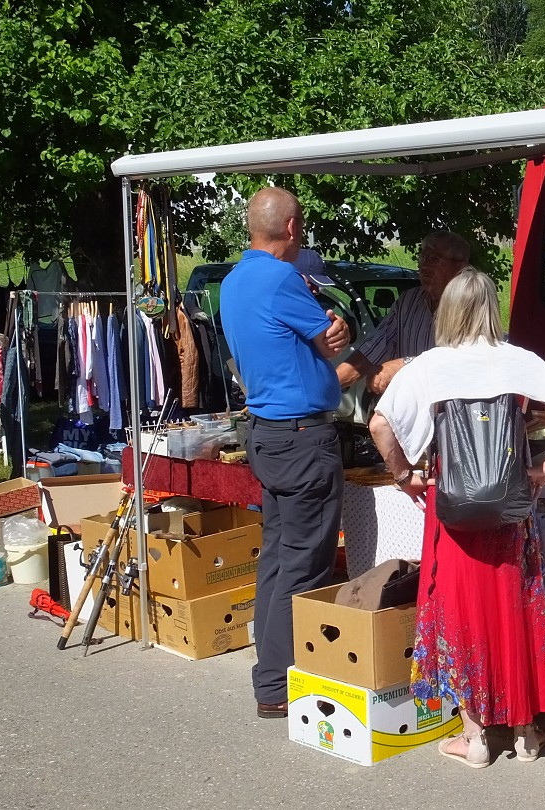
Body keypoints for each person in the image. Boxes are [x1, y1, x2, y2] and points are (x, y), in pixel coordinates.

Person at [368, 268, 545, 768]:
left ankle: (475, 739)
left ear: (448, 312)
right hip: (511, 510)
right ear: (492, 310)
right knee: (514, 608)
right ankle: (527, 733)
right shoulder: (518, 361)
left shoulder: (430, 366)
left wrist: (405, 475)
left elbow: (380, 423)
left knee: (464, 612)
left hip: (454, 510)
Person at [219, 187, 350, 719]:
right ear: (293, 229)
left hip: (268, 434)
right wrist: (334, 332)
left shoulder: (233, 281)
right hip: (300, 438)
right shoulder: (282, 279)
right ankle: (276, 683)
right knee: (302, 563)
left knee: (277, 557)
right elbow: (332, 342)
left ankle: (269, 668)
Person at [335, 231, 470, 394]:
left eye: (434, 259)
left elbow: (468, 361)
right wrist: (328, 385)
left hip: (452, 410)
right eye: (423, 258)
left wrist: (404, 364)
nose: (424, 266)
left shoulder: (472, 306)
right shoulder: (409, 302)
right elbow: (373, 349)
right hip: (411, 408)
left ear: (460, 266)